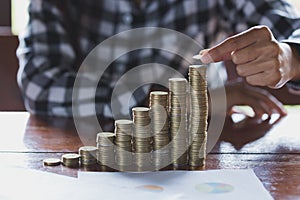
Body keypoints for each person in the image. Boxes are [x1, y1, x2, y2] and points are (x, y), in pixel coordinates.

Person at [17, 0, 300, 119]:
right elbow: (39, 84)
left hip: (203, 155)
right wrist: (183, 102)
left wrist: (291, 57)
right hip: (85, 157)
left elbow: (291, 31)